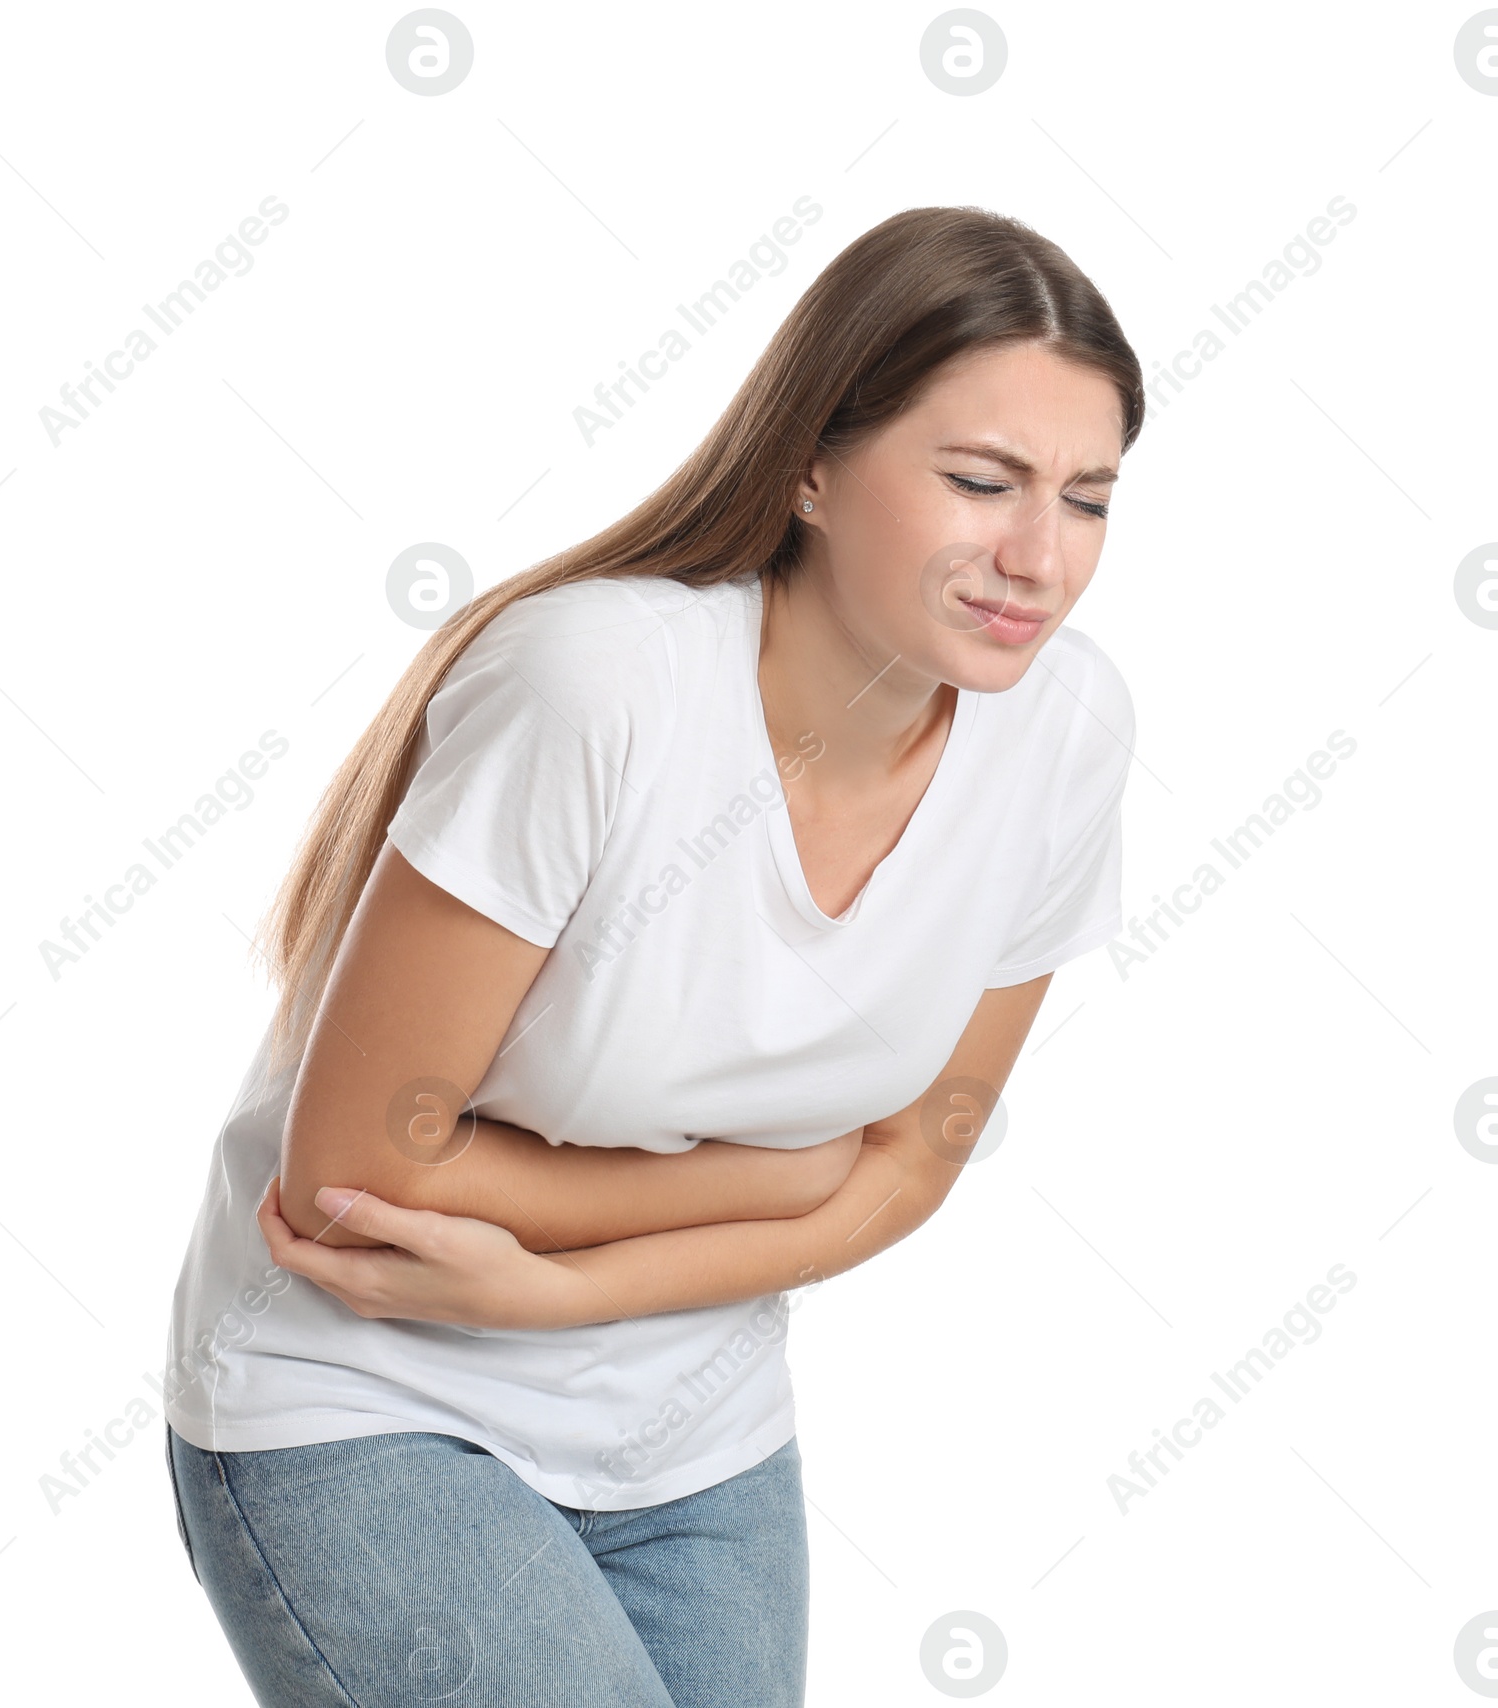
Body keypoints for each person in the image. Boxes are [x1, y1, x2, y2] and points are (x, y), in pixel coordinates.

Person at [163, 203, 1144, 1707]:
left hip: (697, 1427)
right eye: (979, 480)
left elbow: (914, 1169)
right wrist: (792, 1170)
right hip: (363, 1388)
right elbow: (360, 1170)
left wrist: (548, 1291)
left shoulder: (1065, 732)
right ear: (811, 462)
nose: (1039, 556)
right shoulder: (598, 684)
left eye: (1088, 498)